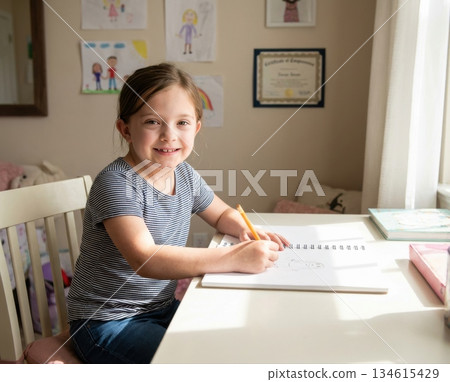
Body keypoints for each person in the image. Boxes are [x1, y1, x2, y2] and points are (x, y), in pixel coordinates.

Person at [67, 62, 288, 364]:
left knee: (231, 342)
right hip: (105, 322)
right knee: (191, 362)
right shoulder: (116, 184)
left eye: (182, 123)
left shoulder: (184, 175)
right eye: (152, 122)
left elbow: (222, 214)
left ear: (196, 128)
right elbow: (145, 259)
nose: (169, 135)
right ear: (126, 129)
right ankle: (60, 350)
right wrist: (234, 258)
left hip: (160, 308)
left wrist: (245, 230)